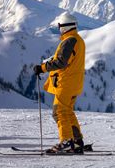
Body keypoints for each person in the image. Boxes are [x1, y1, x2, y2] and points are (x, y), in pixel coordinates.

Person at [33, 12, 86, 154]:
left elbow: (61, 62)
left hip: (66, 84)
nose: (59, 28)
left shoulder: (69, 40)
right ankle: (76, 140)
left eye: (60, 26)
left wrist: (42, 68)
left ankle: (67, 141)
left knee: (60, 112)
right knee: (68, 112)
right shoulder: (77, 39)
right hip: (74, 83)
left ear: (64, 26)